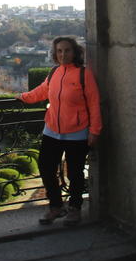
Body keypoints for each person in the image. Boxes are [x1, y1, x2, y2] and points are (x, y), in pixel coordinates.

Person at [16, 36, 103, 226]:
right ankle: (56, 206)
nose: (63, 54)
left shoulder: (83, 74)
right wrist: (22, 96)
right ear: (55, 54)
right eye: (59, 51)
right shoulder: (54, 72)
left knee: (75, 173)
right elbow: (41, 91)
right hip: (52, 130)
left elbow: (94, 103)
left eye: (67, 50)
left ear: (75, 52)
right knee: (46, 168)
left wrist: (95, 131)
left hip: (77, 132)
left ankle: (75, 208)